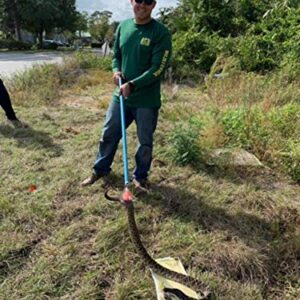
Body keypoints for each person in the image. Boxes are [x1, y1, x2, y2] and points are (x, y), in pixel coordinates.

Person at [81, 0, 172, 189]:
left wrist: (133, 84)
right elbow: (117, 56)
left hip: (146, 100)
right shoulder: (123, 26)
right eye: (138, 0)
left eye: (148, 1)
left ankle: (140, 176)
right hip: (121, 96)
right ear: (131, 1)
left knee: (145, 142)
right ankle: (100, 169)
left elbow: (158, 69)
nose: (142, 5)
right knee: (108, 134)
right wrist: (115, 71)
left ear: (154, 4)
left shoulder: (160, 33)